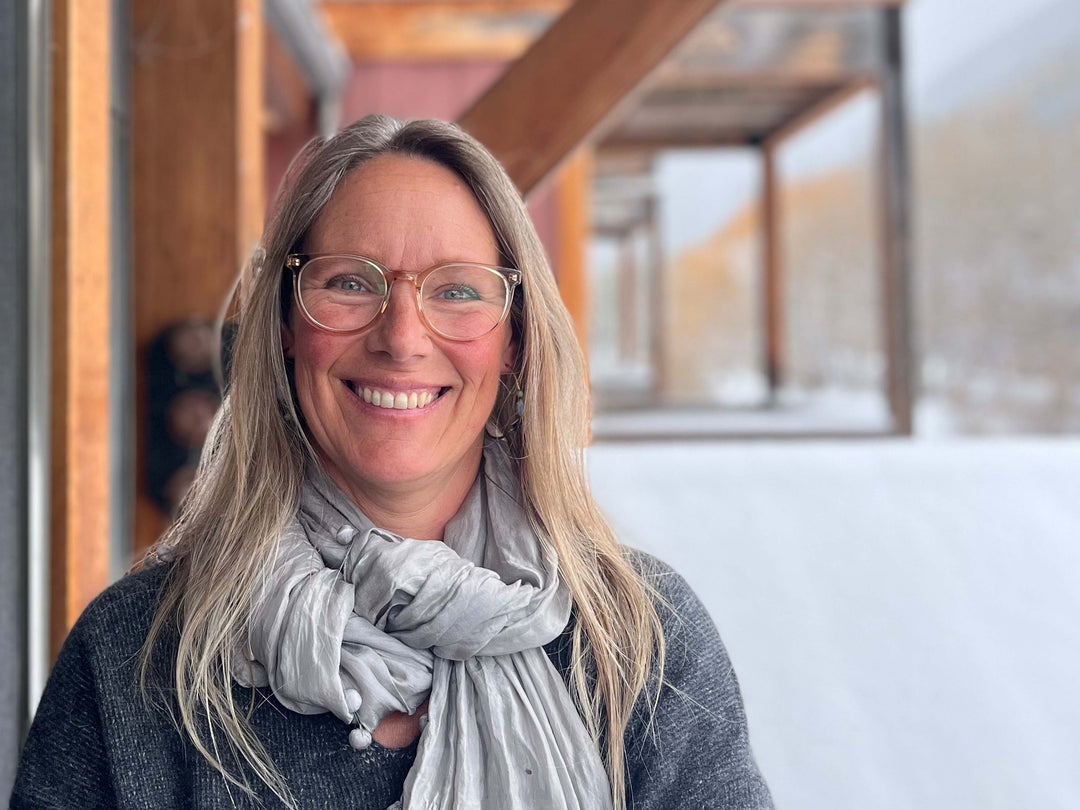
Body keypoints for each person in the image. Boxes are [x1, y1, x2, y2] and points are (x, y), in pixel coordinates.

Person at [11, 115, 773, 810]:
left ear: (514, 341)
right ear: (283, 323)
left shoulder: (639, 646)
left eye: (457, 290)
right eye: (349, 282)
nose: (402, 337)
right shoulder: (139, 659)